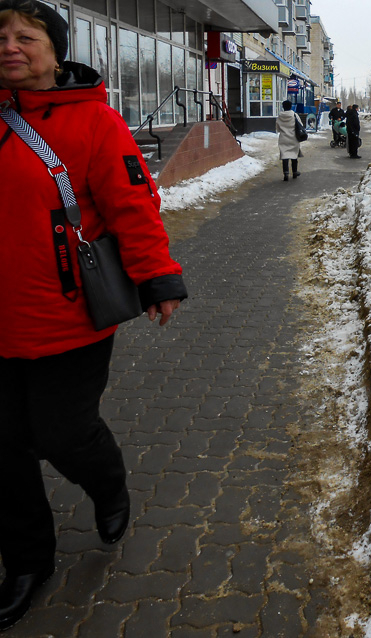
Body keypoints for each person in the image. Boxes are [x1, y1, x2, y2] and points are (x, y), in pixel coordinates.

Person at [0, 0, 187, 630]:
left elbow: (134, 206)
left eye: (26, 36)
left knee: (60, 433)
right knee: (1, 445)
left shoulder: (95, 123)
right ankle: (26, 560)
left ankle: (107, 485)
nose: (10, 46)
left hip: (67, 316)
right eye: (0, 36)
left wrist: (157, 277)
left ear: (55, 51)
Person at [275, 99, 301, 181]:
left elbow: (277, 129)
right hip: (294, 138)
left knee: (284, 156)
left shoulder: (280, 116)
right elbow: (301, 125)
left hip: (283, 138)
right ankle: (294, 172)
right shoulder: (294, 115)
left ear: (283, 107)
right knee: (294, 155)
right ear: (291, 106)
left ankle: (286, 173)